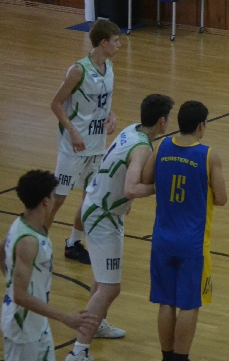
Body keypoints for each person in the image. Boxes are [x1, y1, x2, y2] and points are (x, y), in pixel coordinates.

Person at [67, 94, 175, 361]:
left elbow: (116, 169)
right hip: (102, 216)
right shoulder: (142, 148)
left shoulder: (133, 130)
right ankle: (78, 352)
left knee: (101, 279)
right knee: (110, 287)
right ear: (162, 121)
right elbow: (131, 189)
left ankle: (96, 325)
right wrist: (161, 187)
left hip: (99, 206)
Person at [141, 101, 227, 361]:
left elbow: (146, 179)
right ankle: (181, 358)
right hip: (192, 244)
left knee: (166, 302)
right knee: (189, 304)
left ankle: (167, 356)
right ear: (201, 126)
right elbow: (221, 198)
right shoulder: (209, 155)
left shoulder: (162, 146)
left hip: (162, 238)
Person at [2, 170, 99, 361]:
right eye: (53, 195)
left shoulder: (24, 223)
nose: (56, 199)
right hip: (22, 328)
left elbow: (1, 248)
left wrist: (11, 278)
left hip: (38, 321)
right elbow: (19, 295)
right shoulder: (28, 241)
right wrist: (65, 317)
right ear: (45, 201)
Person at [48, 19, 120, 264]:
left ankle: (73, 244)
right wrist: (73, 132)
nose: (119, 45)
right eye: (116, 41)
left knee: (90, 198)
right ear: (103, 43)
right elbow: (56, 104)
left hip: (97, 145)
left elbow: (101, 104)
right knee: (57, 199)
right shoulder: (78, 70)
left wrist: (111, 116)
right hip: (74, 146)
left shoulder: (109, 68)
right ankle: (38, 243)